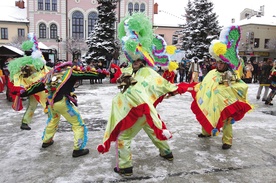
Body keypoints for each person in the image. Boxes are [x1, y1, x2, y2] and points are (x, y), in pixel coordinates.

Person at [97, 12, 188, 176]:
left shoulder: (148, 72)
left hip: (138, 109)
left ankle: (125, 167)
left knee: (123, 138)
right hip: (140, 110)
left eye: (138, 60)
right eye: (133, 60)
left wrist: (178, 89)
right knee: (151, 130)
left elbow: (163, 85)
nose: (135, 62)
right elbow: (126, 84)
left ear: (144, 59)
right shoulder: (132, 70)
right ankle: (166, 152)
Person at [188, 25, 252, 150]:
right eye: (218, 62)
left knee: (226, 121)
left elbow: (239, 86)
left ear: (226, 63)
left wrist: (228, 87)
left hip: (225, 104)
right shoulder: (212, 73)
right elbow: (204, 84)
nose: (219, 64)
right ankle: (206, 132)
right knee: (206, 114)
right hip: (210, 101)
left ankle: (227, 141)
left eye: (221, 62)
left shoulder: (232, 74)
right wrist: (195, 89)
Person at [20, 61, 100, 157]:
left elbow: (38, 86)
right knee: (78, 124)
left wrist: (23, 93)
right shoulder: (70, 72)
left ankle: (47, 140)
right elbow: (87, 74)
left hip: (50, 103)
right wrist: (102, 74)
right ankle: (78, 149)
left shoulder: (50, 74)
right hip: (62, 103)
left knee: (53, 120)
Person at [7, 33, 49, 130]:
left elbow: (44, 69)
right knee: (46, 102)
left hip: (32, 87)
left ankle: (25, 122)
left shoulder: (33, 60)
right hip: (36, 87)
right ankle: (52, 120)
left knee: (33, 105)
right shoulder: (28, 62)